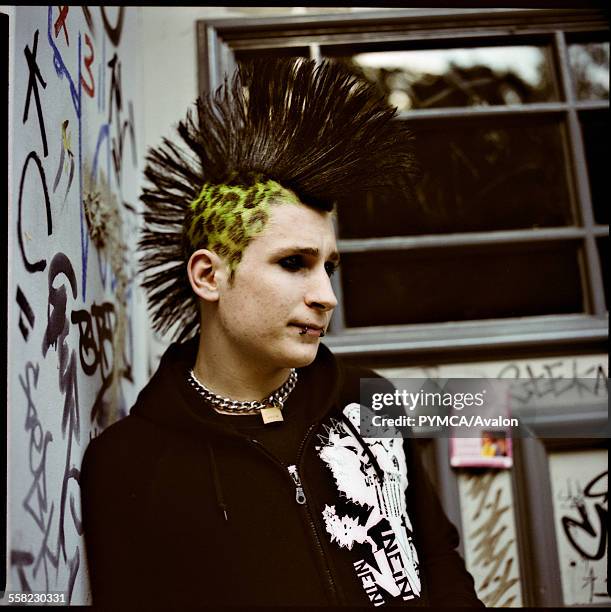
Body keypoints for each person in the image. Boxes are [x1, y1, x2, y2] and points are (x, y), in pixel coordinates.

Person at [81, 58, 483, 608]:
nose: (327, 296)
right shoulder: (128, 465)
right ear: (209, 275)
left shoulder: (369, 399)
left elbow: (438, 557)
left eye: (329, 267)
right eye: (294, 263)